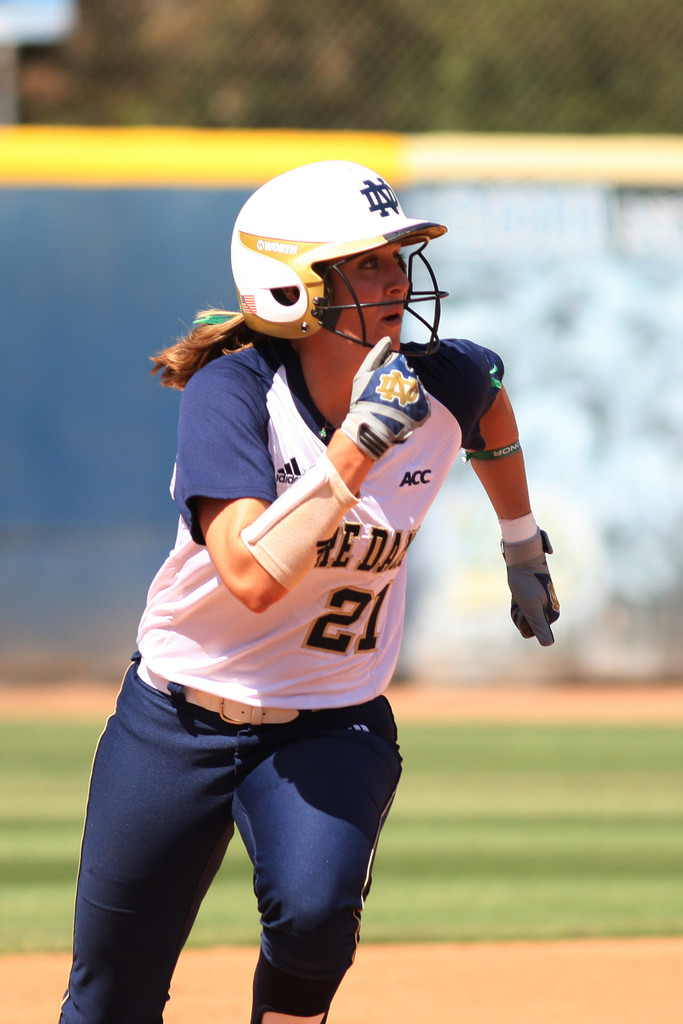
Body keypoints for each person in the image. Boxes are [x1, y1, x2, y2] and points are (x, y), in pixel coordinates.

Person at [59, 159, 559, 1024]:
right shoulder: (234, 393)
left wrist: (520, 540)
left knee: (317, 915)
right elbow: (250, 577)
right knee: (111, 996)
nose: (395, 278)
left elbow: (494, 404)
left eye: (394, 257)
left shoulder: (440, 380)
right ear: (292, 289)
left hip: (332, 716)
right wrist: (358, 447)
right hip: (177, 717)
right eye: (364, 263)